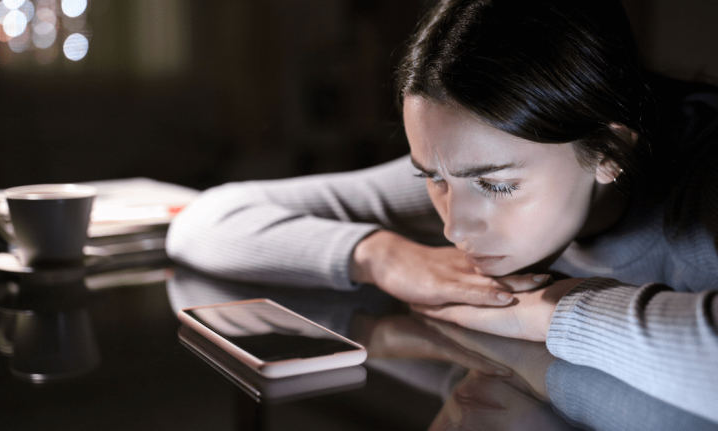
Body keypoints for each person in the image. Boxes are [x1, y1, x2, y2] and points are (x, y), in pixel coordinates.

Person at [166, 0, 718, 419]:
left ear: (607, 150)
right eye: (430, 178)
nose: (455, 226)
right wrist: (381, 255)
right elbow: (204, 222)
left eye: (498, 186)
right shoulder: (475, 162)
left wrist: (545, 312)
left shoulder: (700, 190)